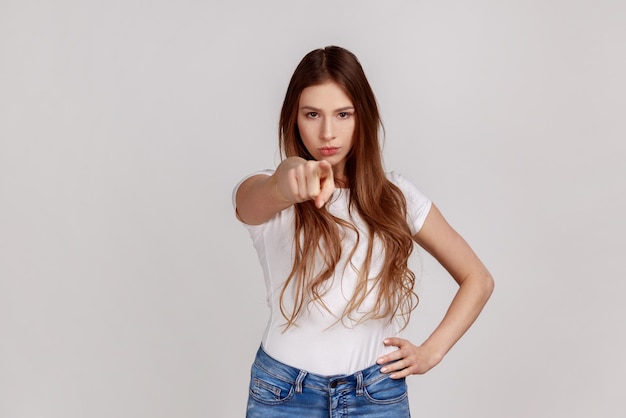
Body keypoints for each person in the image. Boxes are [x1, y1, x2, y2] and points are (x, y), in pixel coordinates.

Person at [233, 45, 494, 417]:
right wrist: (291, 181)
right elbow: (260, 195)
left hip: (375, 396)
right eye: (312, 114)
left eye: (343, 114)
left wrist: (430, 352)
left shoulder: (397, 196)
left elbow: (478, 279)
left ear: (363, 117)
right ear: (294, 118)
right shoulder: (269, 192)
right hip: (284, 396)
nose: (327, 132)